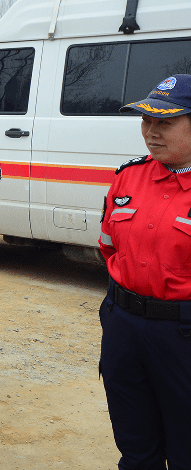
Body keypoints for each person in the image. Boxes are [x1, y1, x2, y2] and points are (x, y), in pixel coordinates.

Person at [98, 73, 191, 470]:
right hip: (124, 327)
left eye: (164, 122)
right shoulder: (128, 176)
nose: (151, 132)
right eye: (146, 121)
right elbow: (107, 245)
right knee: (135, 446)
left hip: (182, 336)